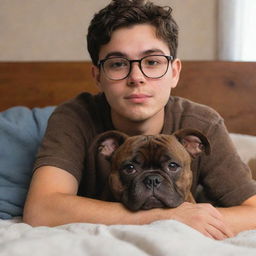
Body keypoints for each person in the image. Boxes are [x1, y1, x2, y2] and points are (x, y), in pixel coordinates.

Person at [23, 0, 256, 240]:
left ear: (174, 72)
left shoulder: (202, 123)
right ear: (97, 76)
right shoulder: (74, 117)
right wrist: (164, 217)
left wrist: (199, 218)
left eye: (152, 62)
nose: (136, 77)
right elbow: (41, 210)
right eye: (117, 64)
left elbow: (253, 212)